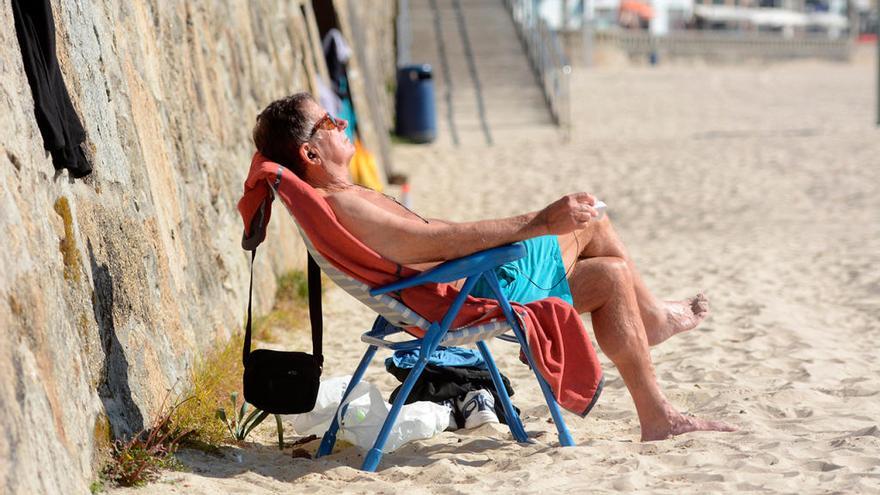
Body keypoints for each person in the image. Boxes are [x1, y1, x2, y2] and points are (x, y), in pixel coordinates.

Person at [251, 92, 736, 441]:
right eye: (330, 123)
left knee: (609, 271)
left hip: (463, 281)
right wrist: (538, 221)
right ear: (310, 153)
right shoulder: (343, 205)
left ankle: (656, 411)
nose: (340, 123)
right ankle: (652, 336)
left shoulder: (341, 197)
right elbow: (426, 242)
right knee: (594, 228)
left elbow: (425, 242)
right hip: (472, 292)